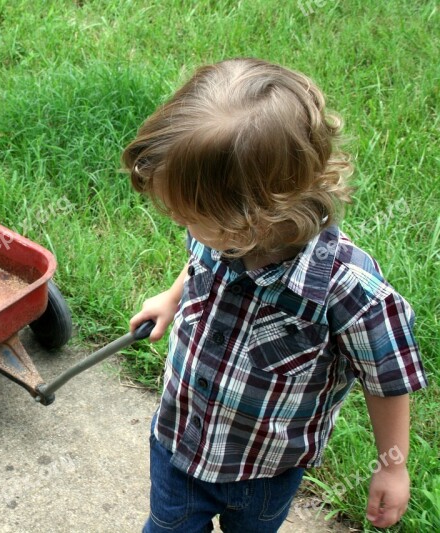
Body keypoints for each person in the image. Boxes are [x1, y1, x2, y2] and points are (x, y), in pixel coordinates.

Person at [124, 58, 427, 532]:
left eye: (190, 216)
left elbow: (386, 378)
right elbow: (199, 264)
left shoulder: (348, 292)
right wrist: (172, 296)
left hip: (265, 470)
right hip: (179, 444)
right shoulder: (218, 234)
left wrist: (392, 464)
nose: (181, 225)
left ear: (258, 215)